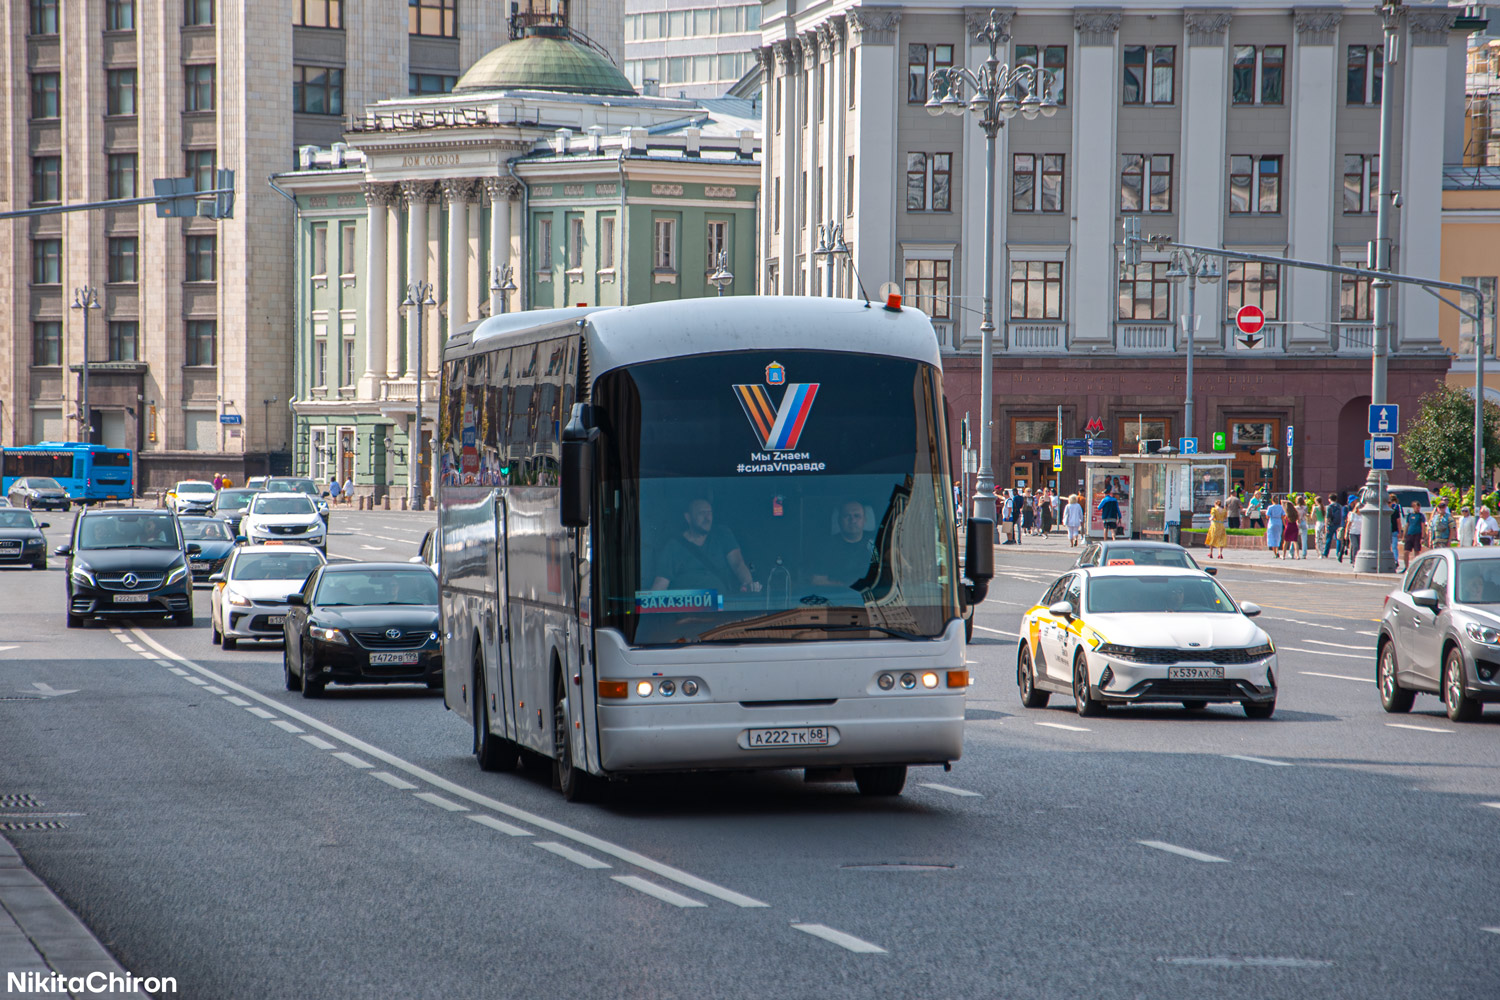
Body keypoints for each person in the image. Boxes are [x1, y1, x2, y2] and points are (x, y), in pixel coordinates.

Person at [650, 498, 760, 593]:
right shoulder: (673, 546)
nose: (707, 518)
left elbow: (738, 564)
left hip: (723, 609)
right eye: (701, 513)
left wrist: (749, 585)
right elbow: (660, 584)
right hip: (686, 612)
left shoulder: (722, 534)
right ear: (688, 518)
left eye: (709, 513)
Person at [811, 500, 877, 588]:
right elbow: (817, 580)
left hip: (877, 598)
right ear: (839, 520)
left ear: (864, 520)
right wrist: (846, 586)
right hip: (840, 598)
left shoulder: (877, 543)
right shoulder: (825, 547)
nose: (852, 520)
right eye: (847, 516)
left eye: (857, 516)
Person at [1399, 500, 1426, 572]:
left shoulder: (1420, 516)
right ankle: (1406, 567)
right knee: (1406, 551)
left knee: (1416, 551)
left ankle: (1416, 568)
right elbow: (1407, 525)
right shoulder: (1410, 515)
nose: (1418, 509)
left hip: (1417, 535)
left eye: (1419, 508)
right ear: (1413, 507)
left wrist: (1423, 537)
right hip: (1410, 534)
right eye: (1417, 508)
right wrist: (1404, 535)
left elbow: (1423, 526)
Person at [1323, 494, 1345, 560]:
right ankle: (1338, 552)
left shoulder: (1329, 507)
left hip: (1330, 525)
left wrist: (1326, 526)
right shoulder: (1340, 506)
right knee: (1338, 539)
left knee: (1329, 539)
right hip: (1338, 524)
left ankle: (1326, 553)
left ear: (1329, 499)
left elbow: (1327, 517)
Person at [1344, 498, 1362, 562]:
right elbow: (1348, 524)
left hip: (1360, 533)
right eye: (1360, 508)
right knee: (1355, 546)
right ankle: (1354, 560)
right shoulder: (1352, 514)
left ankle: (1357, 559)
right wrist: (1346, 533)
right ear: (1357, 508)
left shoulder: (1363, 516)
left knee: (1359, 547)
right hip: (1353, 532)